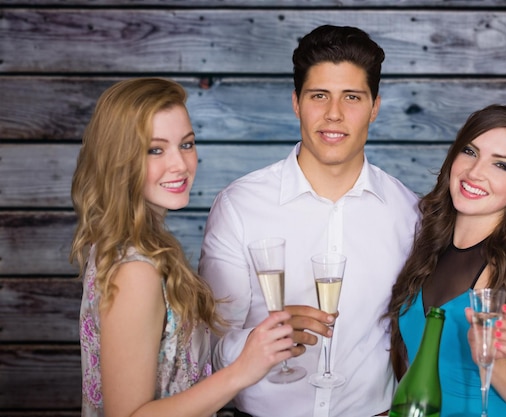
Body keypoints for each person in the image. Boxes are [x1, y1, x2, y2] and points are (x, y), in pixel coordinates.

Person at [198, 25, 420, 417]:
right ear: (297, 103)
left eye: (352, 97)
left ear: (375, 107)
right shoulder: (239, 206)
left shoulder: (409, 213)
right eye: (319, 96)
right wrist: (259, 342)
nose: (334, 114)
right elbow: (210, 348)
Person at [70, 77, 296, 417]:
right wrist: (242, 370)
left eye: (186, 145)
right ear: (119, 159)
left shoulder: (135, 246)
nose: (180, 165)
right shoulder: (135, 270)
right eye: (155, 149)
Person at [386, 104, 506, 417]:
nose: (475, 172)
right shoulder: (424, 241)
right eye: (470, 151)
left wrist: (492, 360)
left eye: (502, 165)